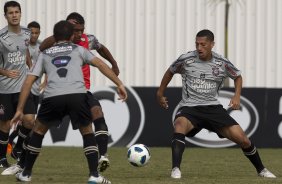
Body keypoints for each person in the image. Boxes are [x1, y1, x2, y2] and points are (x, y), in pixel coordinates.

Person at [11, 20, 127, 183]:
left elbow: (28, 82)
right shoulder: (79, 49)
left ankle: (26, 173)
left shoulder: (45, 54)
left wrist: (19, 109)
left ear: (55, 36)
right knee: (87, 132)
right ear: (72, 35)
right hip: (77, 95)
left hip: (52, 96)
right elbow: (100, 64)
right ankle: (94, 175)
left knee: (38, 132)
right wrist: (119, 84)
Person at [156, 29, 276, 179]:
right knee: (179, 125)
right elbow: (170, 72)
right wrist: (160, 93)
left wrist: (237, 96)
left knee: (243, 139)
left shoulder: (221, 63)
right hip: (190, 107)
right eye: (197, 44)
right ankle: (175, 169)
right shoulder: (186, 59)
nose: (199, 48)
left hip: (213, 109)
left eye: (203, 44)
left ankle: (262, 170)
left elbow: (237, 77)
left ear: (212, 44)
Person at [39, 12, 118, 172]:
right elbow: (42, 47)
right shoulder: (58, 42)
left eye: (82, 29)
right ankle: (23, 165)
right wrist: (59, 35)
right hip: (58, 91)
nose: (79, 33)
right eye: (75, 30)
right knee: (38, 128)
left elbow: (101, 48)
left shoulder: (88, 40)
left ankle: (103, 156)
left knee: (97, 112)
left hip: (81, 91)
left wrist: (114, 63)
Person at [0, 1, 35, 169]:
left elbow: (25, 49)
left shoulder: (27, 34)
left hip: (22, 87)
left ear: (20, 14)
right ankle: (1, 159)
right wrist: (5, 72)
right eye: (10, 13)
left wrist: (30, 65)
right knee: (5, 125)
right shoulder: (1, 37)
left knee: (29, 121)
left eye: (16, 12)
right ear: (5, 16)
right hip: (5, 88)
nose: (14, 15)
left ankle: (18, 146)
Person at [7, 21, 44, 162]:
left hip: (36, 89)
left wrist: (46, 82)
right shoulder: (21, 45)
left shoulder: (42, 46)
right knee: (30, 122)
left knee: (27, 124)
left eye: (36, 32)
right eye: (31, 32)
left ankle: (14, 144)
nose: (34, 35)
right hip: (23, 88)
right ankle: (18, 148)